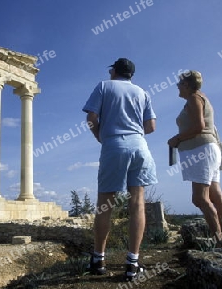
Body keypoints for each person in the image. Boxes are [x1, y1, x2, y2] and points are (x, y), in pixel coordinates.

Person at [82, 58, 158, 281]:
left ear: (113, 71)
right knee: (137, 201)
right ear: (131, 75)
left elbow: (90, 118)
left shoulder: (104, 86)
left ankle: (98, 259)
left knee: (105, 202)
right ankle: (132, 263)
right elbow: (151, 126)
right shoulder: (143, 92)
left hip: (113, 144)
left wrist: (100, 136)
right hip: (139, 145)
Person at [167, 70, 222, 245]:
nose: (178, 88)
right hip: (210, 148)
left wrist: (177, 139)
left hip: (200, 150)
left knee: (199, 198)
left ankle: (218, 239)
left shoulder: (194, 99)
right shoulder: (202, 98)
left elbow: (198, 126)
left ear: (186, 85)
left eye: (179, 84)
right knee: (215, 193)